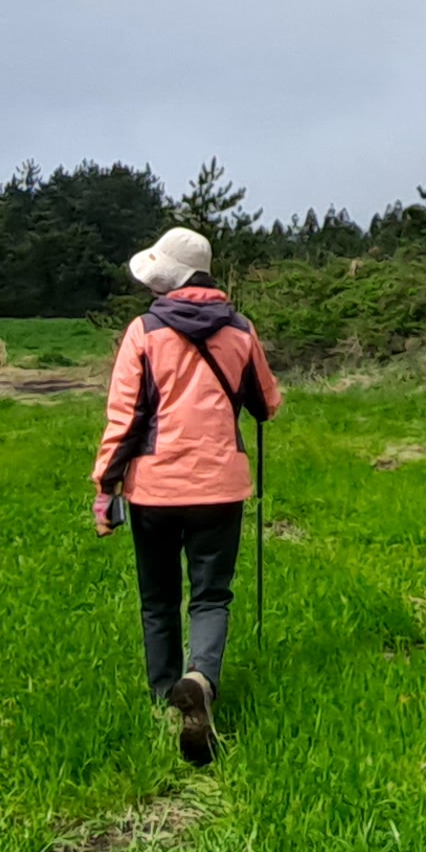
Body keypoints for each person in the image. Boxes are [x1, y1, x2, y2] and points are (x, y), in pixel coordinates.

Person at [92, 225, 281, 767]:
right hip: (221, 488)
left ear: (168, 279)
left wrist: (106, 488)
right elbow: (267, 405)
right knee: (211, 596)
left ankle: (164, 700)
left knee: (157, 600)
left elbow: (123, 419)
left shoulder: (144, 332)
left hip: (154, 489)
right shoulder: (241, 331)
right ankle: (201, 678)